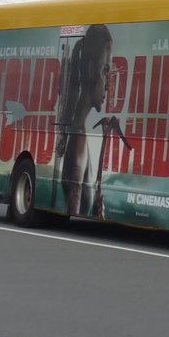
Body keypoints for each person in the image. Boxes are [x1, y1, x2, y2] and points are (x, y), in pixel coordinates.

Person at [52, 24, 112, 216]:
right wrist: (98, 216)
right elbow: (74, 210)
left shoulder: (76, 131)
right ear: (89, 69)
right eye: (106, 70)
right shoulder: (78, 138)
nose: (108, 84)